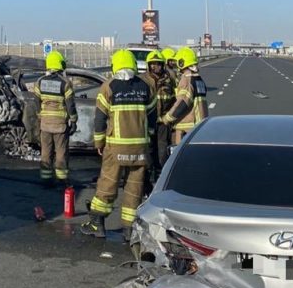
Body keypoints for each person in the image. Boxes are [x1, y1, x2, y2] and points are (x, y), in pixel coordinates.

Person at [81, 49, 157, 240]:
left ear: (115, 65)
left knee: (107, 184)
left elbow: (99, 119)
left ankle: (96, 224)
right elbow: (152, 117)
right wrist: (148, 137)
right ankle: (129, 230)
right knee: (134, 188)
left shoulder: (109, 87)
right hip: (140, 148)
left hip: (115, 148)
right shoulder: (146, 86)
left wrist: (98, 142)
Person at [32, 50, 78, 186]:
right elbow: (71, 105)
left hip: (45, 124)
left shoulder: (39, 82)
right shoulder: (65, 83)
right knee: (61, 152)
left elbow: (36, 102)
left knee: (46, 152)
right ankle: (62, 179)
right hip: (60, 125)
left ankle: (45, 179)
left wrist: (40, 116)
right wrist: (74, 121)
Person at [161, 47, 208, 146]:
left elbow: (182, 103)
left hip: (186, 129)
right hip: (200, 126)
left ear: (181, 62)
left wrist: (167, 118)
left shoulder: (186, 79)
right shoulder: (198, 79)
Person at [143, 49, 176, 177]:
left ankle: (162, 174)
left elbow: (175, 99)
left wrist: (168, 117)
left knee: (163, 150)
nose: (155, 66)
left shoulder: (169, 80)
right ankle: (149, 174)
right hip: (148, 121)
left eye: (158, 63)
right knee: (149, 149)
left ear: (162, 64)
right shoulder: (143, 81)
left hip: (163, 121)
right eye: (152, 63)